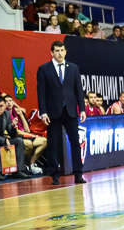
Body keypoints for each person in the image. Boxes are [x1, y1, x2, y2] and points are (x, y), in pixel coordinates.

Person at [36, 40, 87, 186]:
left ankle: (78, 173)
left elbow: (78, 90)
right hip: (53, 112)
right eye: (57, 50)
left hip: (70, 111)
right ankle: (55, 175)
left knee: (75, 143)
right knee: (53, 144)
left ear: (65, 52)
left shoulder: (73, 68)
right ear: (51, 53)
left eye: (62, 50)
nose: (59, 53)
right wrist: (43, 112)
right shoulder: (44, 68)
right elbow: (41, 92)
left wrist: (82, 109)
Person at [5, 95, 47, 174]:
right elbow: (16, 132)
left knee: (44, 141)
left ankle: (31, 164)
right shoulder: (5, 115)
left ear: (13, 102)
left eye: (10, 101)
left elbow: (27, 130)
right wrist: (31, 135)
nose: (9, 103)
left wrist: (21, 115)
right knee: (29, 144)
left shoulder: (17, 112)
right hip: (15, 137)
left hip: (25, 135)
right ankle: (26, 165)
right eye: (6, 101)